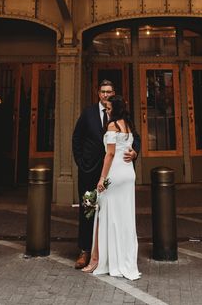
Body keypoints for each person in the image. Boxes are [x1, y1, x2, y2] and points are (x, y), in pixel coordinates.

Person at [72, 80, 140, 270]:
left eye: (109, 91)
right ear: (97, 93)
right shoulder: (88, 113)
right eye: (102, 91)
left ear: (113, 93)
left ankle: (108, 254)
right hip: (90, 170)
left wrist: (134, 152)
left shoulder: (121, 117)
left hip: (114, 172)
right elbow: (76, 138)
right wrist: (81, 162)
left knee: (113, 212)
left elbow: (135, 137)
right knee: (88, 209)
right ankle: (85, 251)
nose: (105, 94)